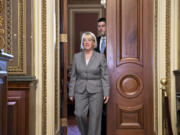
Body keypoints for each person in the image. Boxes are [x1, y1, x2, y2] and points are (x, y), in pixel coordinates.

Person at [69, 32, 110, 135]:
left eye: (89, 40)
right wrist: (71, 92)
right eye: (84, 40)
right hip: (80, 89)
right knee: (79, 114)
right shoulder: (76, 57)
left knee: (95, 117)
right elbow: (73, 76)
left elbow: (104, 76)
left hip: (96, 90)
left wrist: (106, 92)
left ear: (93, 43)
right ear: (82, 43)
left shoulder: (100, 57)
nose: (86, 42)